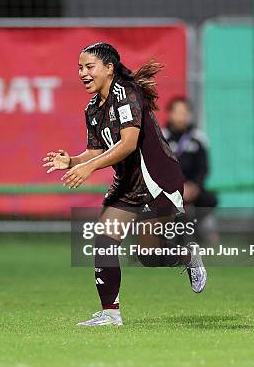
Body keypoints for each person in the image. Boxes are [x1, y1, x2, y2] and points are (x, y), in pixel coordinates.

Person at [43, 42, 206, 327]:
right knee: (104, 240)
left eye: (89, 67)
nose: (83, 73)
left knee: (149, 255)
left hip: (157, 180)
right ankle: (110, 313)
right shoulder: (92, 109)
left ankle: (187, 255)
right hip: (128, 184)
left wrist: (88, 167)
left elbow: (128, 144)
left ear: (109, 68)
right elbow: (96, 150)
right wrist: (72, 161)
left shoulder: (127, 94)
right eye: (80, 68)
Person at [163, 98, 219, 245]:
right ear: (170, 114)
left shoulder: (198, 138)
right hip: (169, 190)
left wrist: (194, 186)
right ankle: (164, 236)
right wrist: (176, 188)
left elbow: (203, 168)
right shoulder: (160, 137)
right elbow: (157, 169)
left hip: (193, 189)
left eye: (185, 113)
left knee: (210, 199)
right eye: (178, 112)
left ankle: (201, 230)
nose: (181, 117)